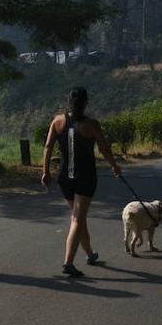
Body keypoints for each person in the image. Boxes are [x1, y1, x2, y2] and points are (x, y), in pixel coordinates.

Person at [40, 87, 121, 277]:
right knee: (77, 218)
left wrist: (45, 172)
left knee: (79, 216)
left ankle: (90, 254)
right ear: (86, 103)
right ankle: (68, 263)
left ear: (68, 101)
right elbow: (104, 148)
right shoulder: (92, 125)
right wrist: (114, 166)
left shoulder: (58, 121)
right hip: (85, 178)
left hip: (64, 178)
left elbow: (48, 147)